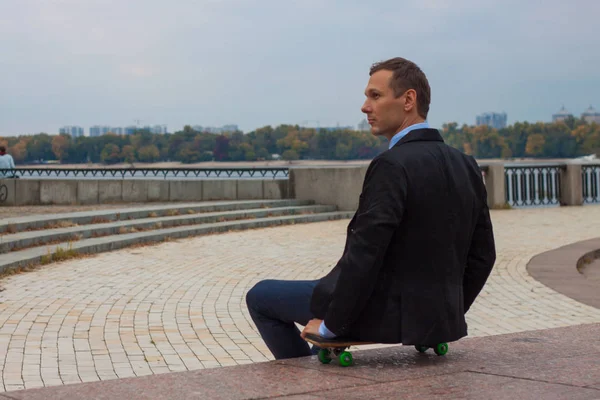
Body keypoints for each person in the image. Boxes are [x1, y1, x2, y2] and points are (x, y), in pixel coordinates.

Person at [246, 57, 496, 360]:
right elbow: (483, 256)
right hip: (438, 316)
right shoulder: (466, 164)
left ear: (408, 100)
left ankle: (303, 377)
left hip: (382, 313)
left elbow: (364, 256)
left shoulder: (392, 165)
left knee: (260, 296)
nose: (365, 106)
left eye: (375, 96)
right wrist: (448, 312)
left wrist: (332, 328)